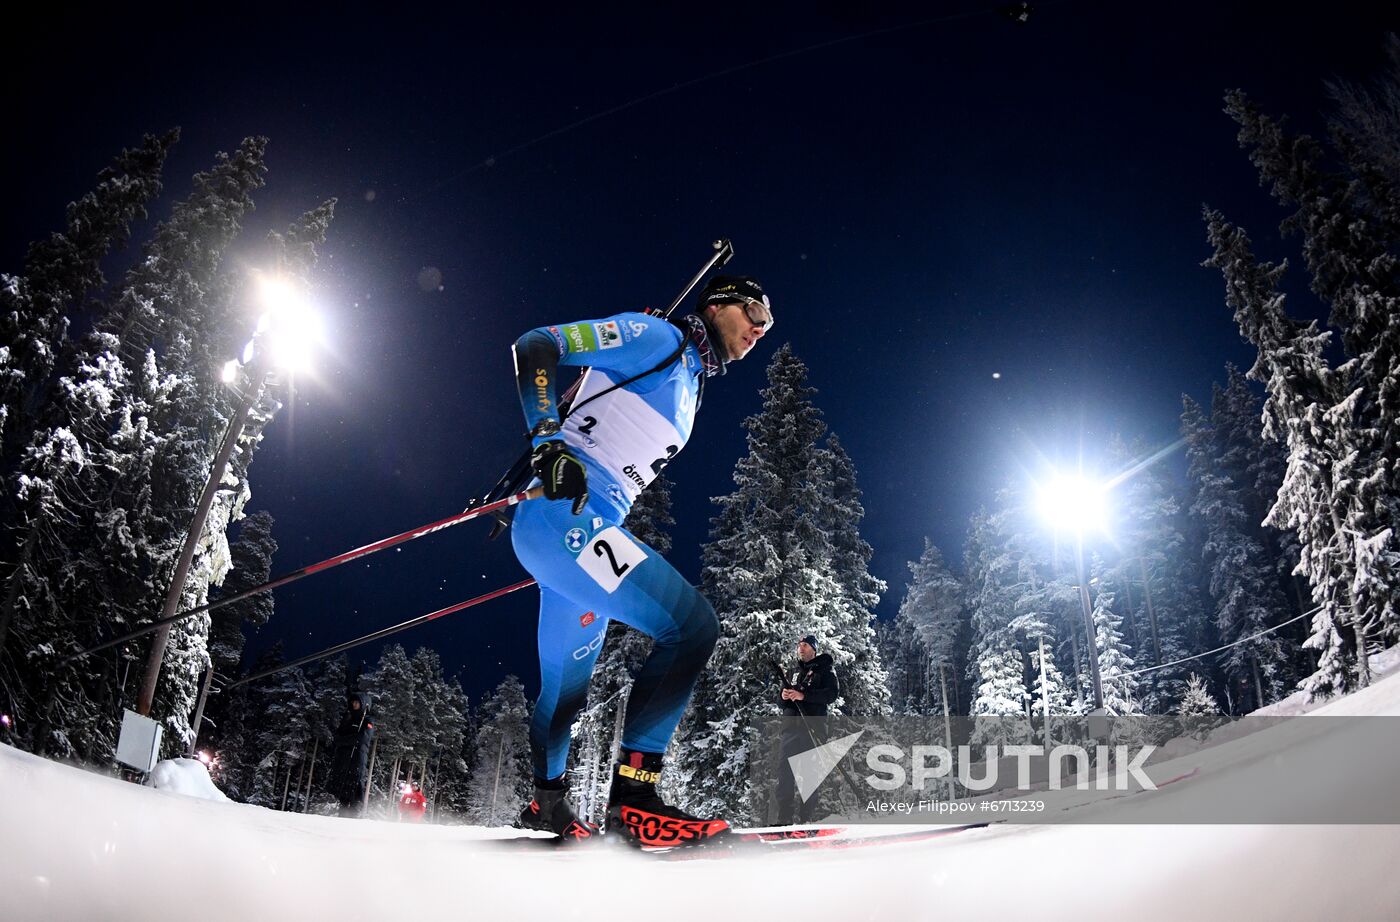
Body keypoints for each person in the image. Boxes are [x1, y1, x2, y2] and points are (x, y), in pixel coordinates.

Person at [509, 274, 773, 846]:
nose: (759, 328)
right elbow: (535, 343)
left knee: (564, 694)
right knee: (692, 626)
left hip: (574, 536)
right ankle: (635, 802)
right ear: (718, 303)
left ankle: (546, 802)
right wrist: (548, 444)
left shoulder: (692, 384)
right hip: (565, 515)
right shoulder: (657, 337)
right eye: (753, 310)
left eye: (767, 324)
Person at [775, 634, 838, 825]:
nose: (801, 648)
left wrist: (804, 696)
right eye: (799, 645)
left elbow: (831, 695)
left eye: (805, 645)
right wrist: (784, 696)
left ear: (814, 649)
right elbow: (780, 702)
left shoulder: (825, 671)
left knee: (809, 776)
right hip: (790, 729)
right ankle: (784, 818)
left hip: (812, 728)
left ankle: (806, 819)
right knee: (784, 774)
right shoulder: (795, 672)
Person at [328, 691, 375, 818]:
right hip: (343, 759)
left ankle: (353, 818)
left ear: (363, 704)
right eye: (353, 702)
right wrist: (342, 741)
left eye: (357, 702)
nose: (354, 705)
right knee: (343, 790)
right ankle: (342, 816)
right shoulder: (348, 718)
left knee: (354, 790)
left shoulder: (367, 720)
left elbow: (362, 738)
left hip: (357, 759)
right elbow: (337, 735)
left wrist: (343, 741)